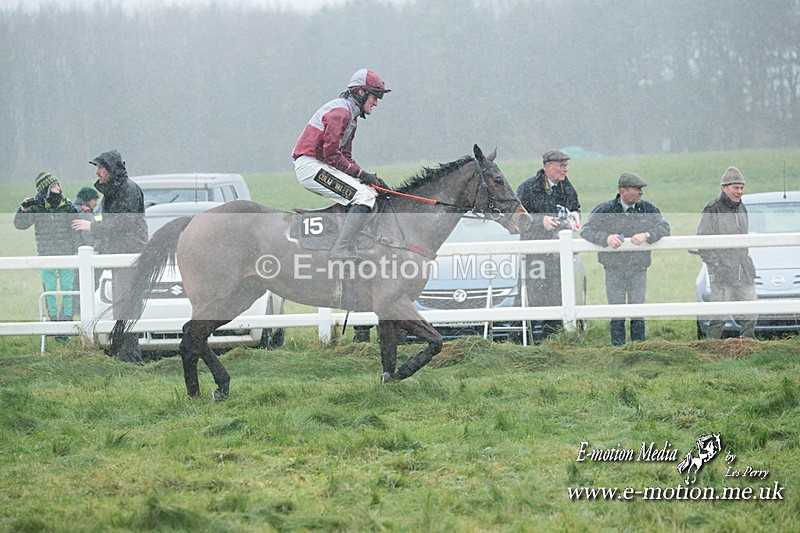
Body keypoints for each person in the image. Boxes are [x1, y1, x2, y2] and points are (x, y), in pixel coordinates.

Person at [292, 68, 390, 260]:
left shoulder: (350, 117)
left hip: (320, 165)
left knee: (369, 192)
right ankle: (341, 249)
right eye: (375, 96)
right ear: (361, 93)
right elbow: (332, 156)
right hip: (311, 167)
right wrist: (362, 175)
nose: (376, 103)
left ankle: (348, 240)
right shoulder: (341, 113)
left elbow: (345, 156)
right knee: (363, 198)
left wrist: (368, 178)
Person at [72, 150, 149, 362]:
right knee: (121, 306)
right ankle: (125, 355)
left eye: (101, 168)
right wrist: (99, 247)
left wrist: (93, 227)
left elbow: (125, 223)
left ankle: (130, 358)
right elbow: (114, 226)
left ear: (111, 169)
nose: (97, 172)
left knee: (125, 306)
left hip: (129, 257)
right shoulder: (114, 192)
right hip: (118, 255)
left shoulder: (129, 190)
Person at [580, 172, 671, 345]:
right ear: (623, 191)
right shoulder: (605, 210)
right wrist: (606, 238)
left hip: (639, 267)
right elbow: (586, 230)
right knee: (617, 311)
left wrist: (647, 235)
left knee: (637, 310)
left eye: (641, 189)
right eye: (636, 189)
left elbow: (665, 228)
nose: (641, 192)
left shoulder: (648, 209)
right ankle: (618, 348)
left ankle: (639, 348)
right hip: (613, 268)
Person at [515, 149, 581, 339]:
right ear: (548, 167)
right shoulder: (528, 188)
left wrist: (576, 215)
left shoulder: (566, 187)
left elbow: (575, 207)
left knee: (558, 295)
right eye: (562, 166)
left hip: (559, 255)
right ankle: (528, 339)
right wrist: (540, 221)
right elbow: (518, 219)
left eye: (566, 166)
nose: (565, 170)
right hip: (534, 255)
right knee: (533, 296)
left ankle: (555, 339)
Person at [696, 167, 757, 339]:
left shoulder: (742, 208)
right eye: (735, 187)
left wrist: (746, 256)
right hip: (722, 273)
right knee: (719, 317)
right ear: (724, 187)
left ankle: (747, 345)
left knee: (752, 311)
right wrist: (717, 265)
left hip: (744, 270)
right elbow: (703, 242)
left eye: (741, 188)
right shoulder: (712, 209)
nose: (740, 191)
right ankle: (710, 350)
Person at [14, 172, 80, 324]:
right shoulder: (36, 207)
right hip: (45, 254)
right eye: (54, 185)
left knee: (67, 289)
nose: (58, 187)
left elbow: (77, 230)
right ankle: (53, 321)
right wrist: (23, 210)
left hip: (66, 254)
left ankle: (67, 321)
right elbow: (20, 225)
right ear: (46, 189)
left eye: (58, 184)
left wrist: (77, 249)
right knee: (49, 289)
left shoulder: (68, 206)